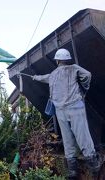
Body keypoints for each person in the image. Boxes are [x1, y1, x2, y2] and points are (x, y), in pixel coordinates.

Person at [31, 48, 101, 179]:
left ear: (57, 60)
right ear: (67, 59)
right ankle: (94, 165)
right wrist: (84, 88)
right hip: (75, 107)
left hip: (60, 111)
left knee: (67, 139)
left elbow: (43, 78)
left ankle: (73, 172)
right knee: (83, 136)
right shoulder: (74, 68)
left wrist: (34, 77)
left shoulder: (53, 74)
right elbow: (88, 75)